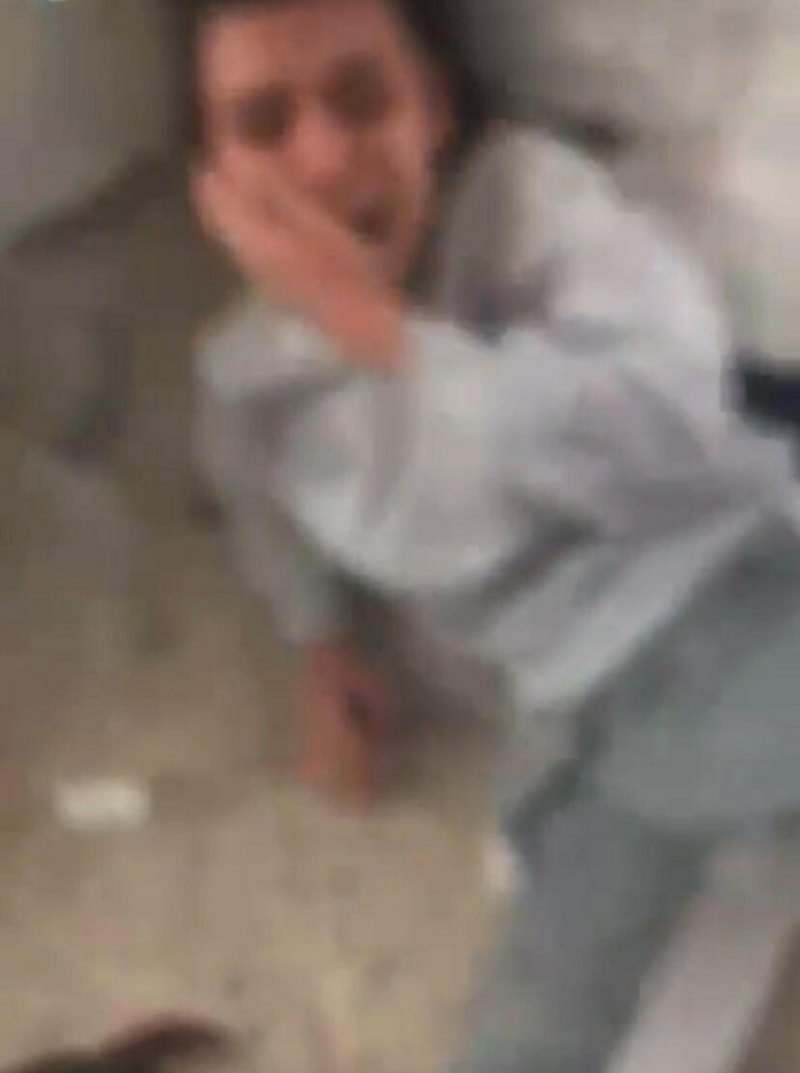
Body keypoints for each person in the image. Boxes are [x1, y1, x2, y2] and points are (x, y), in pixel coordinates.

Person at [191, 0, 800, 1069]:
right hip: (586, 726)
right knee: (525, 1032)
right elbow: (264, 507)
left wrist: (382, 332)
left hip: (734, 591)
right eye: (265, 122)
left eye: (361, 99)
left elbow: (680, 429)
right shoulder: (247, 379)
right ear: (218, 182)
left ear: (431, 106)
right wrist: (323, 648)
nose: (324, 157)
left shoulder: (526, 203)